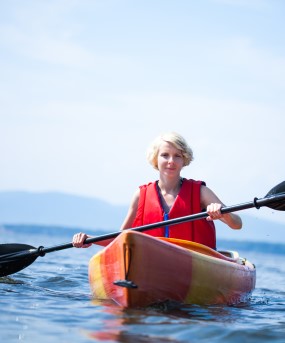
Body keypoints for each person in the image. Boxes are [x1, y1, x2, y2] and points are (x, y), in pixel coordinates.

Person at [72, 132, 242, 249]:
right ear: (155, 158)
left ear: (184, 160)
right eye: (165, 155)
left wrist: (222, 213)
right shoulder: (141, 195)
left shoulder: (201, 193)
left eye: (178, 156)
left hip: (195, 265)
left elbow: (237, 224)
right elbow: (120, 238)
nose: (171, 161)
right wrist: (90, 239)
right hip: (153, 266)